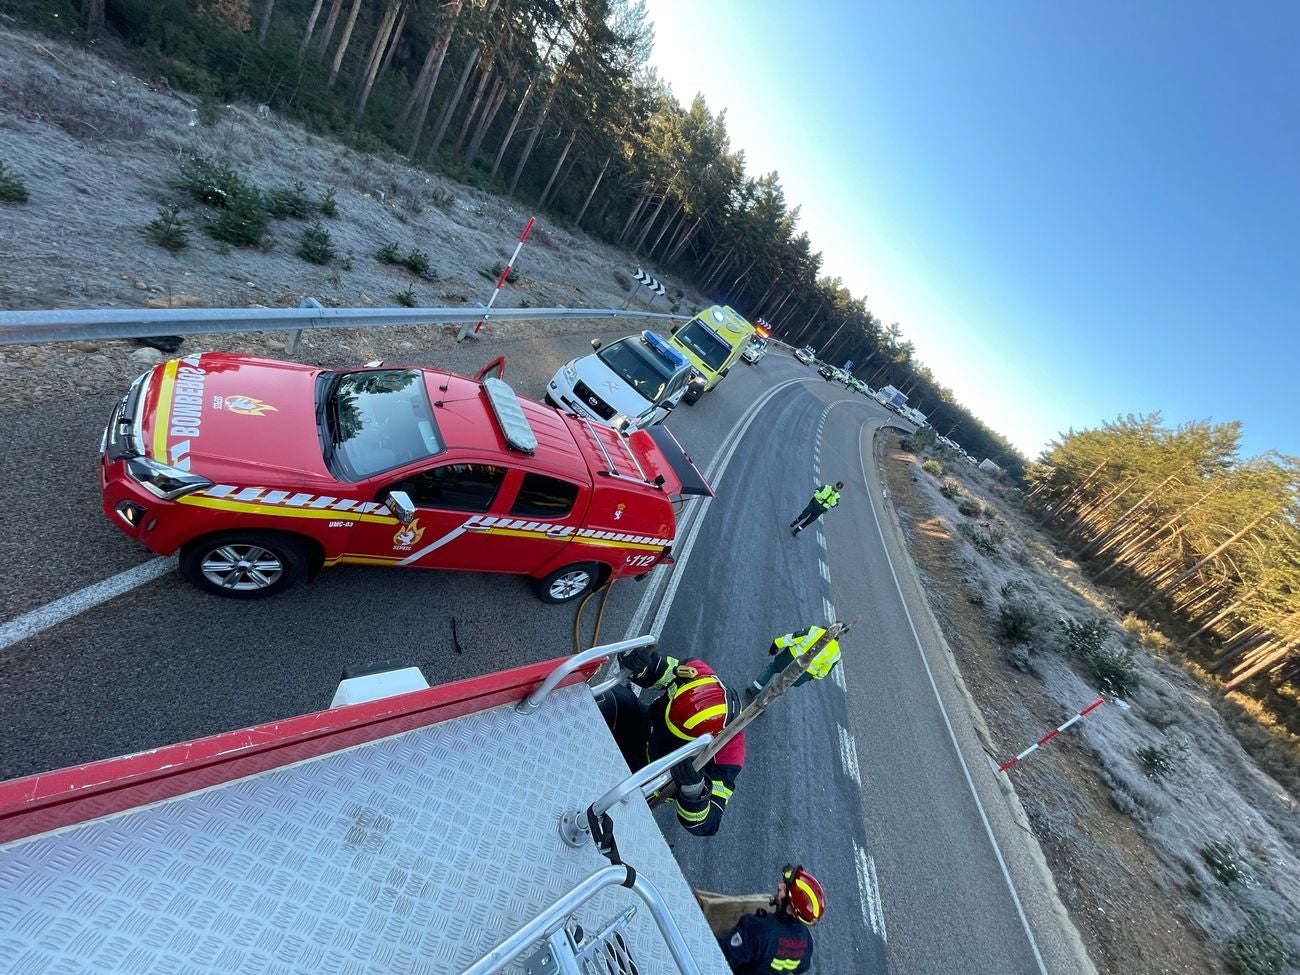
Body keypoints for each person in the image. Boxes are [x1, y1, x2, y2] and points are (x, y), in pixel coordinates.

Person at [598, 644, 745, 837]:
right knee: (603, 699)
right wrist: (641, 667)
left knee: (604, 809)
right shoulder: (695, 673)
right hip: (643, 725)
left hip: (650, 778)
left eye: (676, 735)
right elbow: (661, 671)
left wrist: (694, 791)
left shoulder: (728, 754)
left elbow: (708, 823)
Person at [717, 865, 824, 973]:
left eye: (785, 889)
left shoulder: (756, 929)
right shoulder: (806, 943)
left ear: (791, 909)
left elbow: (721, 957)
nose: (780, 886)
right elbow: (802, 967)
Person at [746, 624, 843, 700]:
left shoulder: (815, 630)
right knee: (781, 686)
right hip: (804, 673)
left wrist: (776, 643)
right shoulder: (836, 654)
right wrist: (811, 677)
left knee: (772, 668)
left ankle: (754, 690)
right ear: (841, 635)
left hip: (789, 658)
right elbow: (824, 672)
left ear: (832, 626)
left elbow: (793, 638)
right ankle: (762, 704)